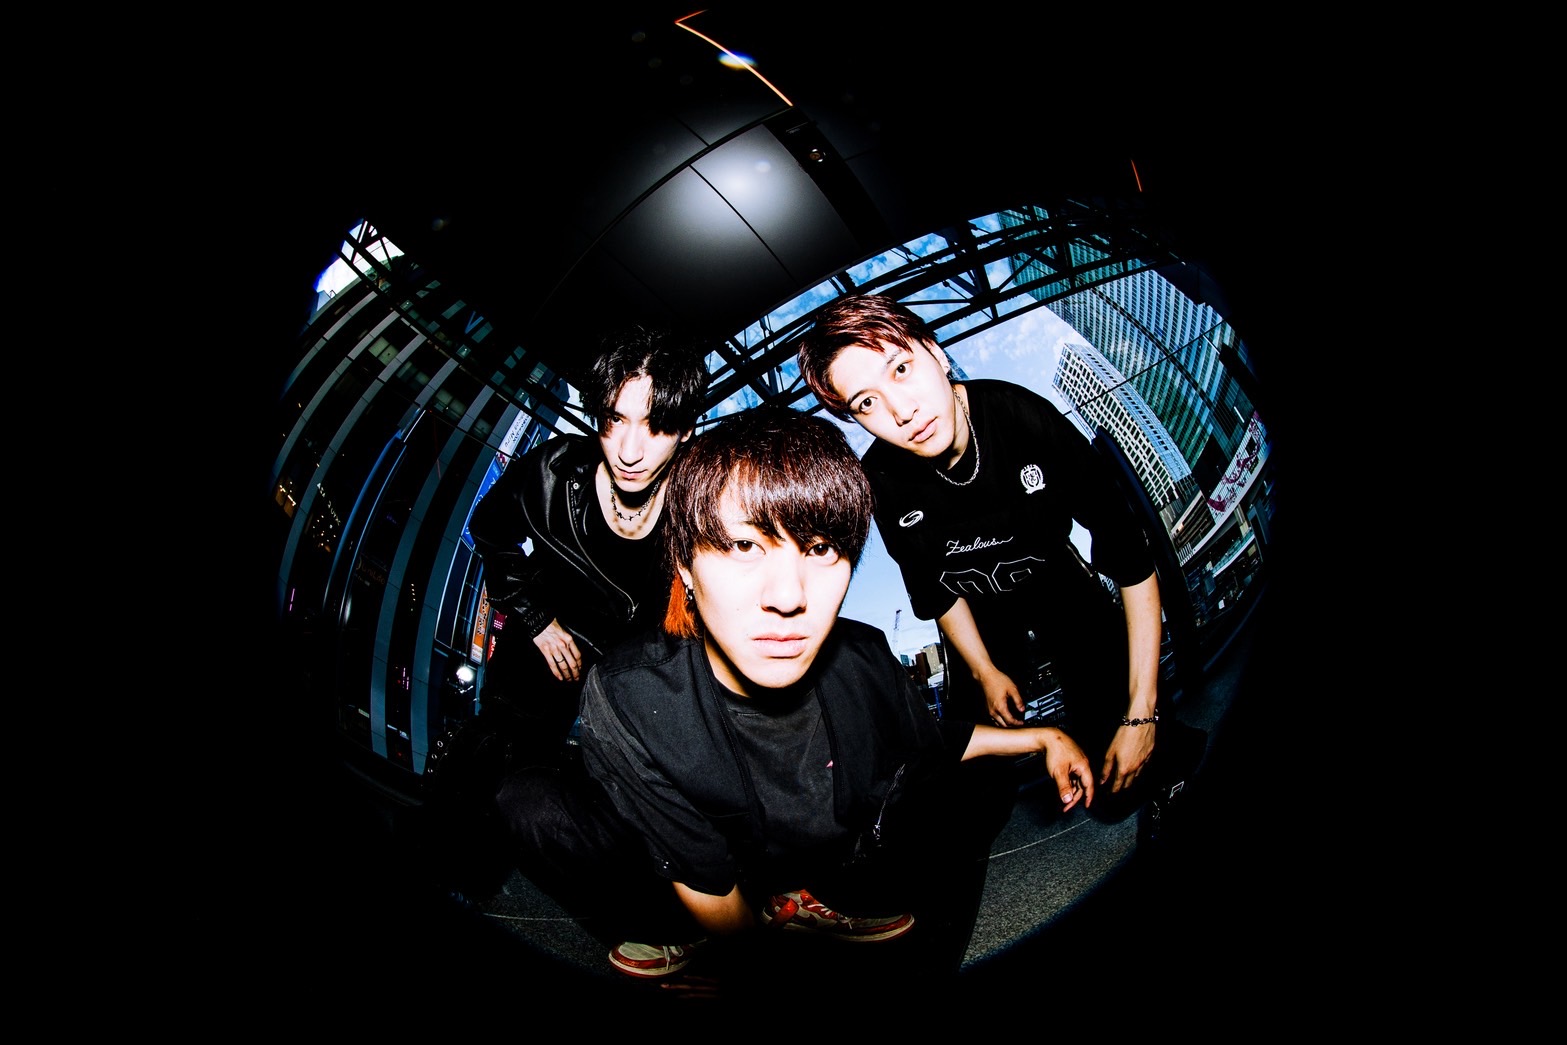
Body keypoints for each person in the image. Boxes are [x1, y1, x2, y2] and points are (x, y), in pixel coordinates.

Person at [561, 405, 1097, 997]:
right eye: (743, 545)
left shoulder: (861, 657)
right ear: (685, 564)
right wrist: (758, 973)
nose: (789, 596)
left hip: (836, 860)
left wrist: (1044, 737)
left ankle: (820, 902)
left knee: (967, 799)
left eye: (819, 549)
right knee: (541, 809)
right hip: (727, 871)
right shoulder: (631, 698)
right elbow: (702, 874)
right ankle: (696, 933)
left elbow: (930, 744)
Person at [797, 293, 1202, 814]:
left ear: (935, 353)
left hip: (1058, 581)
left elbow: (1131, 559)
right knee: (965, 777)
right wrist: (986, 672)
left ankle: (1170, 775)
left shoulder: (1021, 417)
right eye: (867, 403)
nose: (902, 412)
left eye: (900, 369)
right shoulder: (883, 482)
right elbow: (935, 593)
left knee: (1120, 756)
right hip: (980, 611)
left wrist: (1142, 714)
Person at [459, 323, 711, 771]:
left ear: (686, 429)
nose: (629, 452)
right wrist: (536, 619)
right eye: (615, 420)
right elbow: (490, 529)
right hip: (533, 668)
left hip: (623, 694)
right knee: (490, 768)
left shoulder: (698, 512)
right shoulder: (553, 472)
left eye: (655, 427)